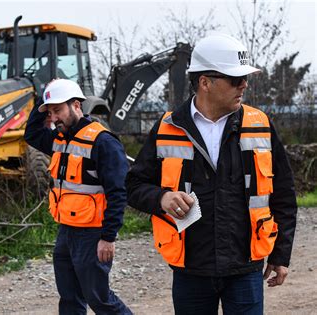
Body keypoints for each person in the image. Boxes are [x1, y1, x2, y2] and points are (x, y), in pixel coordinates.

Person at [126, 34, 297, 314]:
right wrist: (161, 198)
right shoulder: (168, 127)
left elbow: (284, 195)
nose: (244, 84)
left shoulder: (260, 125)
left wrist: (281, 255)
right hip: (191, 269)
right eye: (234, 79)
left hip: (245, 268)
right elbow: (133, 185)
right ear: (205, 82)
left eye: (244, 78)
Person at [24, 79, 132, 315]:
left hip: (92, 233)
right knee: (69, 299)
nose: (53, 119)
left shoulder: (103, 142)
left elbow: (118, 192)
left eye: (58, 111)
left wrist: (108, 237)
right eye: (50, 113)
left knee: (99, 299)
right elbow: (31, 134)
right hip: (66, 230)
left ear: (76, 105)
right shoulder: (59, 140)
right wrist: (45, 97)